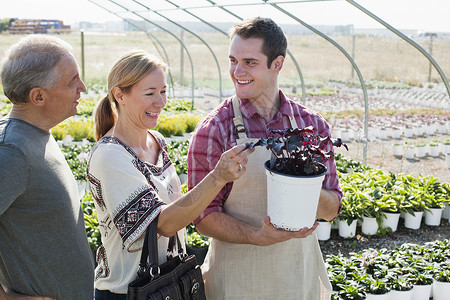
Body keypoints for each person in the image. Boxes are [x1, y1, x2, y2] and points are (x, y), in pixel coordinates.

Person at [187, 17, 342, 299]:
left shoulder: (312, 126)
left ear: (277, 64)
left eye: (250, 62)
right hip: (236, 282)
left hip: (298, 279)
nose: (237, 71)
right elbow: (203, 217)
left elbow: (331, 209)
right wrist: (256, 236)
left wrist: (304, 188)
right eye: (233, 60)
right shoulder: (214, 130)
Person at [88, 49, 254, 299]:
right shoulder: (110, 156)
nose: (161, 102)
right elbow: (162, 224)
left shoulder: (157, 141)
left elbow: (175, 207)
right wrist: (217, 177)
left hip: (167, 283)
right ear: (120, 95)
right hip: (128, 292)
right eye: (150, 93)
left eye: (163, 91)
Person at [0, 35, 94, 299]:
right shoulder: (12, 152)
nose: (83, 88)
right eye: (72, 81)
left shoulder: (37, 134)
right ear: (38, 96)